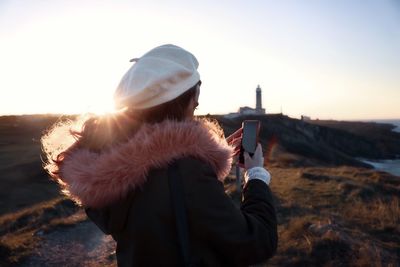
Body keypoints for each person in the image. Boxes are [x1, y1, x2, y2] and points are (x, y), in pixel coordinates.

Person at [42, 44, 277, 266]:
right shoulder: (185, 173)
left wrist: (204, 155)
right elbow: (256, 242)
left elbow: (164, 196)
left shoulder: (105, 169)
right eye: (194, 99)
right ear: (181, 102)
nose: (197, 103)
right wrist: (256, 176)